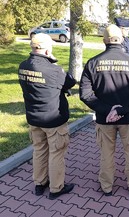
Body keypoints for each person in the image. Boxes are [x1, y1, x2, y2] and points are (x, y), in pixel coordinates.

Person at [79, 24, 129, 197]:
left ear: (104, 41)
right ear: (122, 40)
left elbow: (85, 94)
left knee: (106, 153)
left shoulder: (93, 63)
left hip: (105, 118)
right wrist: (121, 110)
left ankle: (106, 186)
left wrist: (108, 110)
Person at [18, 33, 76, 200]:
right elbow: (70, 82)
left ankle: (39, 183)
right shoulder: (54, 70)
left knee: (39, 150)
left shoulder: (23, 66)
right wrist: (52, 61)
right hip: (53, 119)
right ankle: (56, 188)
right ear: (46, 50)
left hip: (34, 117)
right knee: (56, 152)